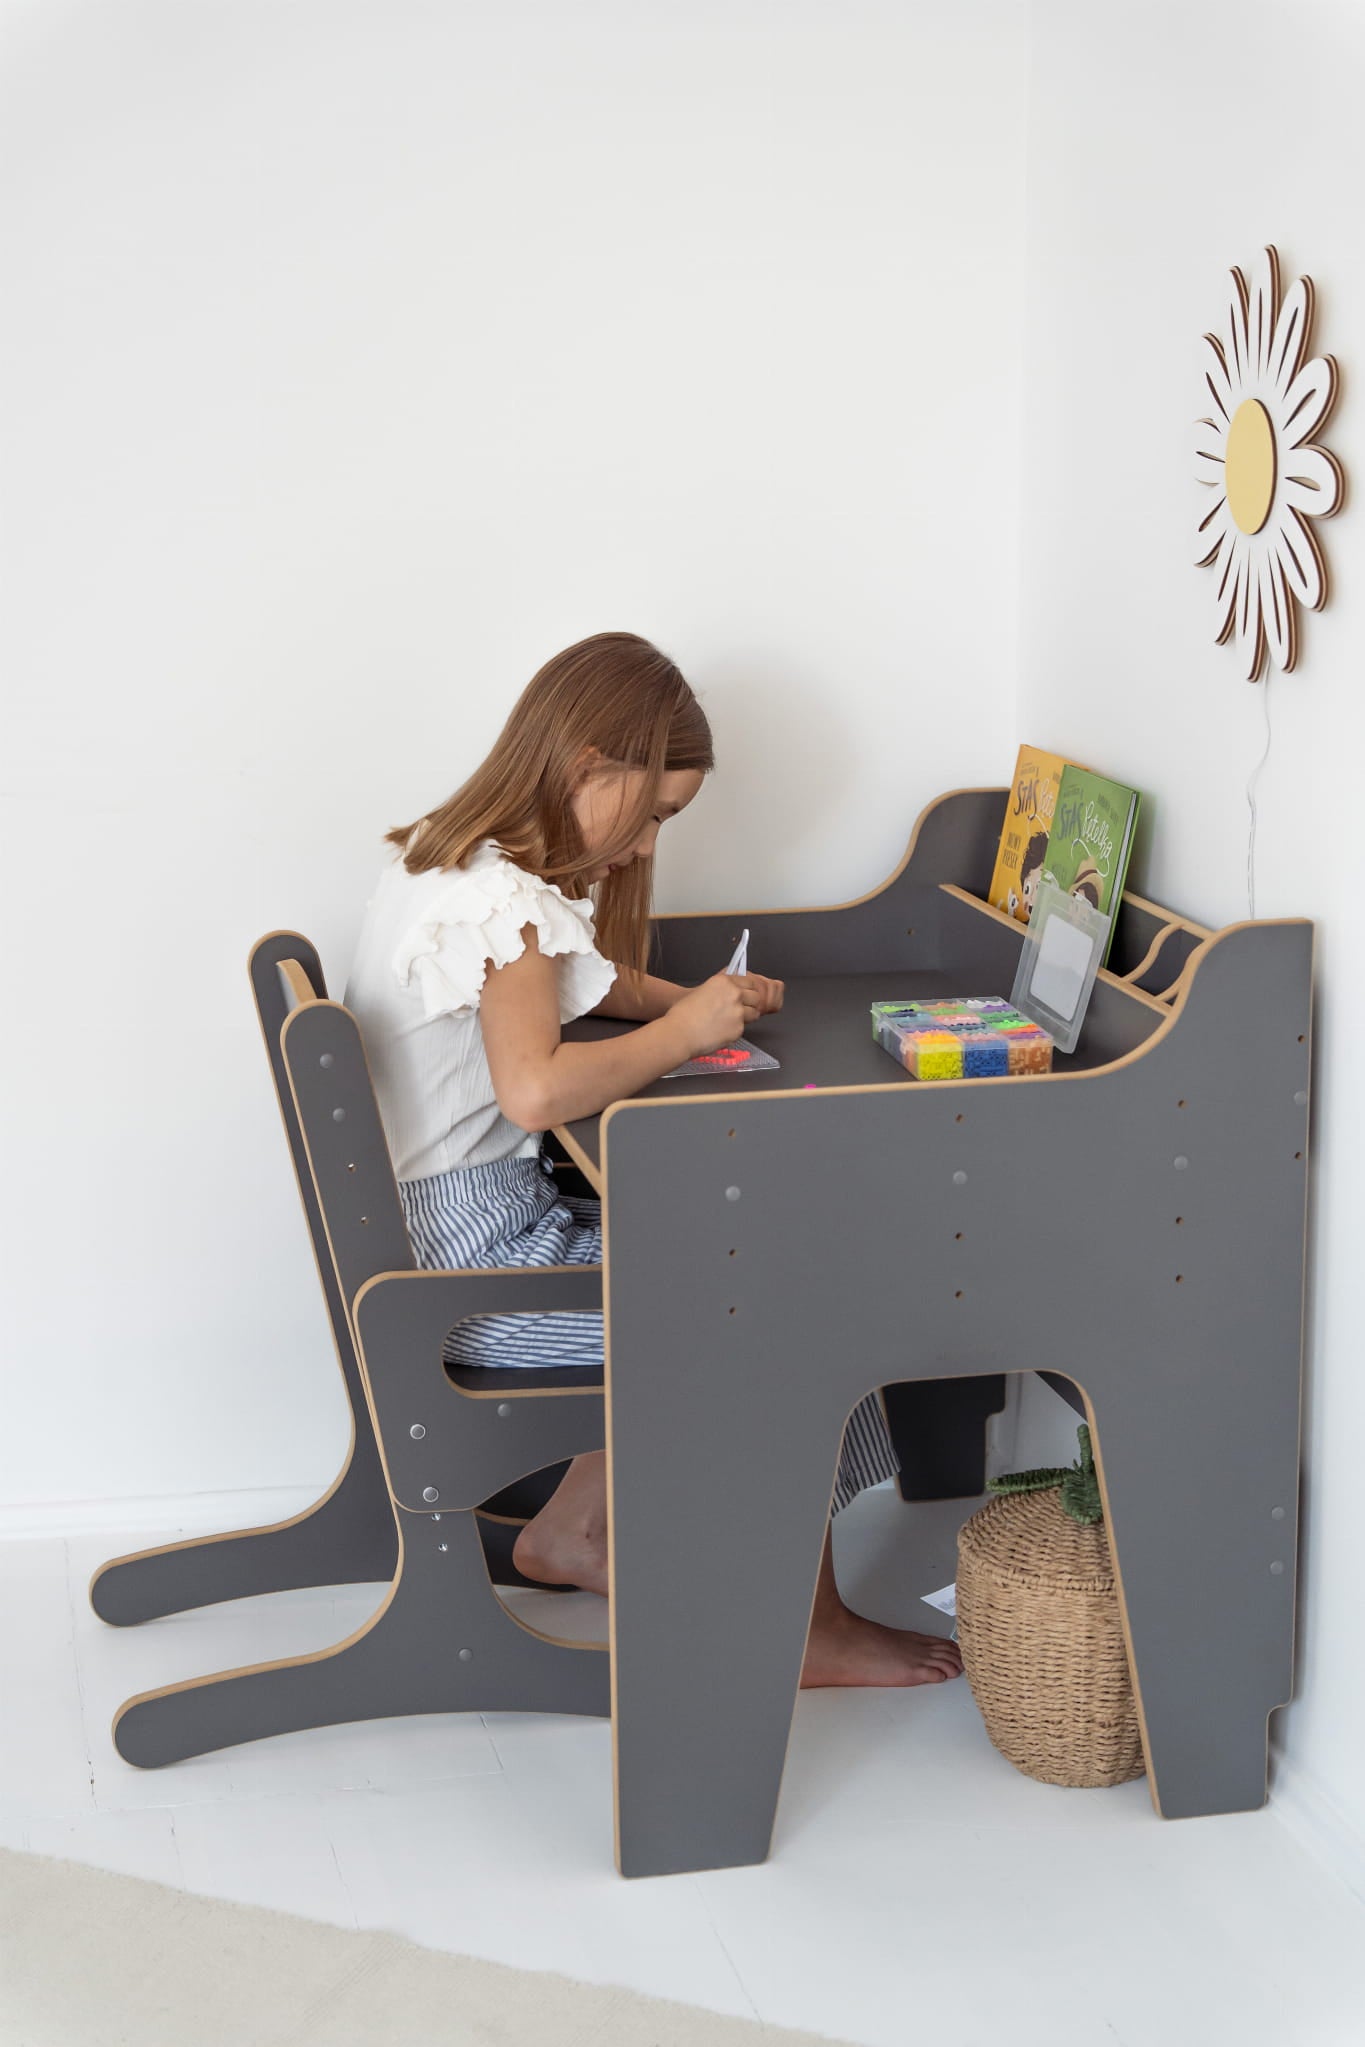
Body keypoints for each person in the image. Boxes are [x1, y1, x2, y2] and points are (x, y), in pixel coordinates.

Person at [344, 631, 963, 1690]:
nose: (641, 851)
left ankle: (572, 1535)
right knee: (799, 1302)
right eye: (653, 817)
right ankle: (806, 1623)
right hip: (482, 1276)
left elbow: (569, 982)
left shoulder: (453, 865)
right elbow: (535, 1086)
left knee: (709, 1246)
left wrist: (682, 1000)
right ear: (591, 764)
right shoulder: (505, 908)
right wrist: (684, 1037)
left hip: (450, 1242)